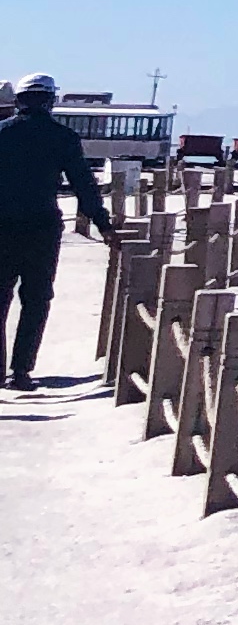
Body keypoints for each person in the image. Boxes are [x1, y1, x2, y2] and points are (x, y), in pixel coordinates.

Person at [1, 74, 112, 390]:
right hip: (42, 227)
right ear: (50, 101)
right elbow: (83, 185)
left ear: (19, 101)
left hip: (2, 226)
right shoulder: (62, 137)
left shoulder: (2, 134)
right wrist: (104, 225)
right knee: (36, 299)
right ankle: (20, 372)